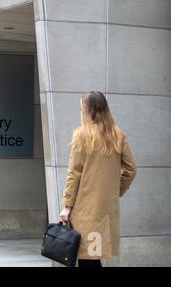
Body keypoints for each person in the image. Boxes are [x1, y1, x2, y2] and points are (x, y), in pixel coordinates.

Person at [59, 92, 137, 267]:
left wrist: (66, 206)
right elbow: (131, 170)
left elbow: (74, 173)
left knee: (87, 258)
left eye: (82, 109)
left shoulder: (82, 135)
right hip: (105, 209)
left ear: (89, 111)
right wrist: (115, 191)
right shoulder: (117, 135)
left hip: (84, 209)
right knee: (93, 257)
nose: (81, 112)